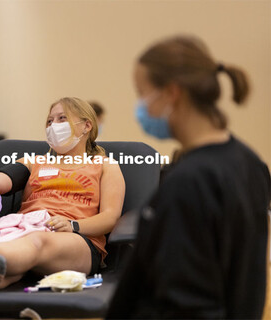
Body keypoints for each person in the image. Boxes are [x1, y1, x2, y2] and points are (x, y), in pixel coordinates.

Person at [106, 35, 271, 318]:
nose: (141, 108)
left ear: (172, 92)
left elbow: (187, 304)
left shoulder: (190, 182)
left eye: (143, 94)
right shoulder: (251, 162)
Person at [0, 97, 126, 289]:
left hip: (77, 239)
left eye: (61, 118)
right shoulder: (33, 162)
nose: (53, 125)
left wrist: (73, 225)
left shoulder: (104, 165)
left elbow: (110, 217)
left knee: (38, 241)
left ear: (87, 126)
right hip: (25, 232)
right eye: (49, 121)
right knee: (8, 269)